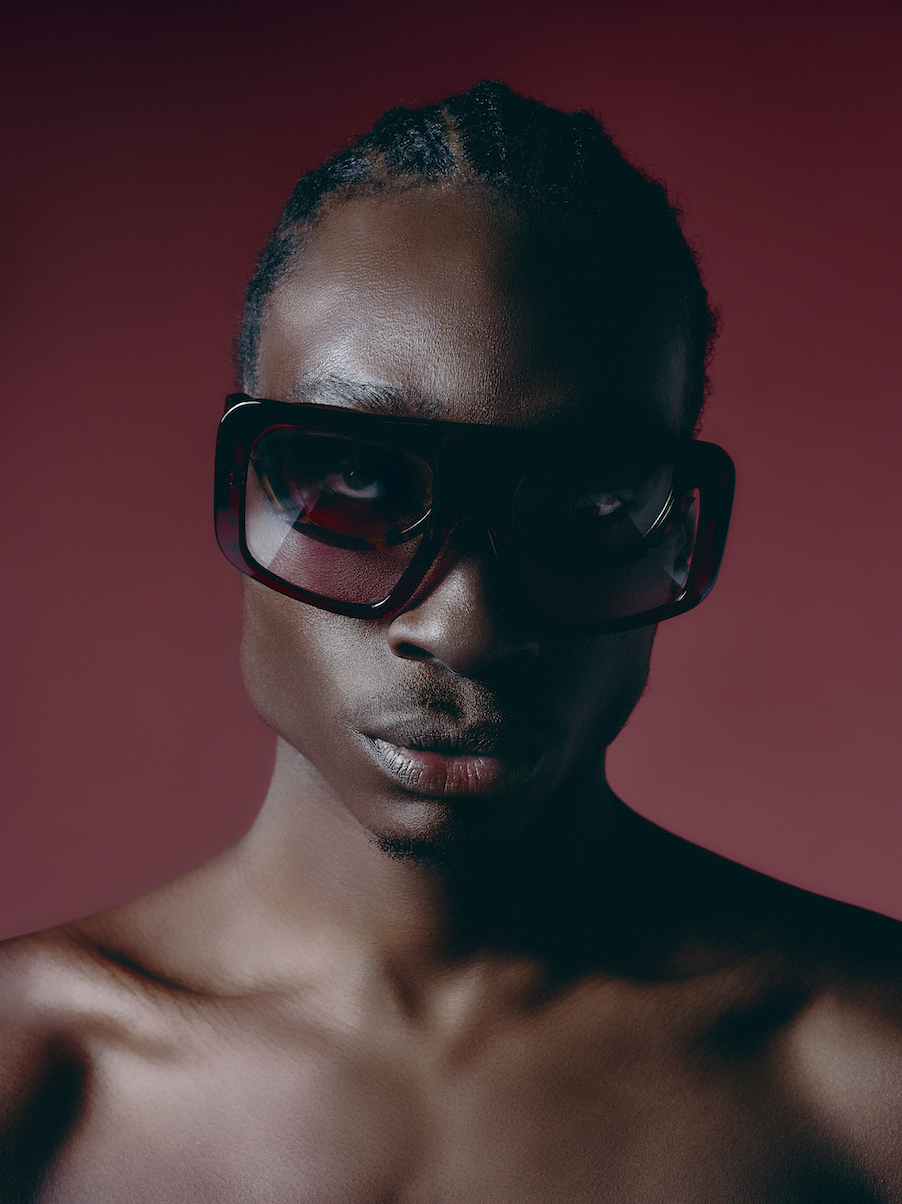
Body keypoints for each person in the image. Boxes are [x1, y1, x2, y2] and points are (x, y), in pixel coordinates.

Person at [2, 80, 901, 1203]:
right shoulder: (35, 1075)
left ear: (676, 524)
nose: (462, 625)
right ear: (240, 487)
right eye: (355, 477)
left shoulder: (869, 1075)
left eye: (588, 501)